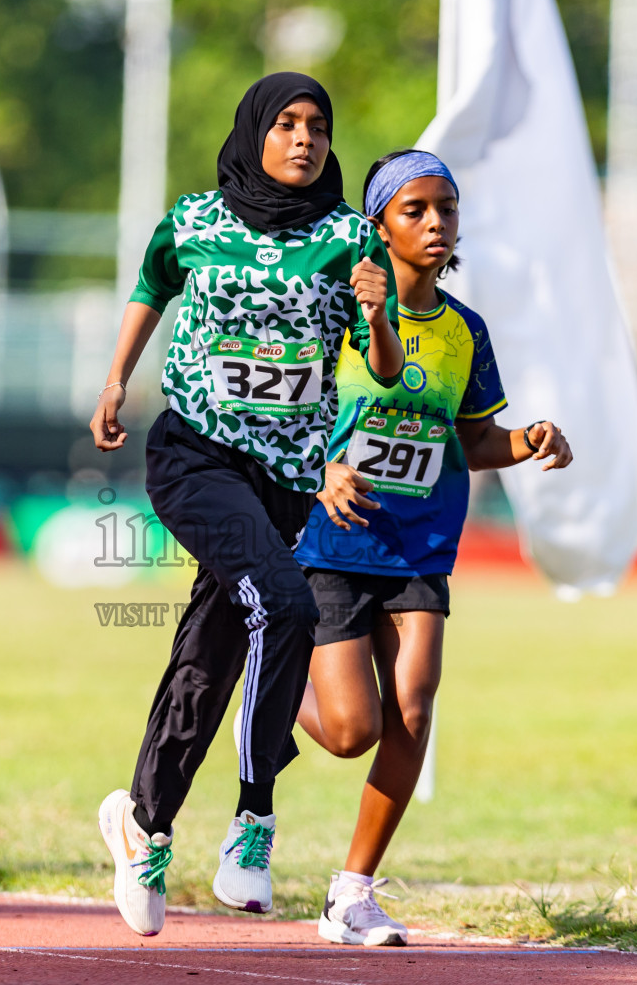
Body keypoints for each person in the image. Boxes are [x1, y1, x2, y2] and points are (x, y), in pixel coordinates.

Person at [90, 72, 403, 936]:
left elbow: (379, 368)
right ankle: (252, 823)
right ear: (255, 132)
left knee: (213, 648)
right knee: (287, 603)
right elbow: (151, 287)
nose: (305, 139)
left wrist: (377, 317)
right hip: (195, 453)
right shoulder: (193, 221)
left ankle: (142, 823)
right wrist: (116, 380)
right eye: (288, 124)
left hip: (286, 478)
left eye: (319, 126)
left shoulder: (349, 239)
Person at [290, 150, 574, 946]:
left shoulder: (465, 332)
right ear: (378, 224)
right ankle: (268, 677)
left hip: (420, 548)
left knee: (413, 709)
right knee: (352, 731)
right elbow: (281, 417)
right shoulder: (336, 314)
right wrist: (320, 471)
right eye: (415, 210)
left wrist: (528, 439)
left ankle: (352, 893)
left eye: (446, 208)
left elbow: (473, 437)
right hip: (333, 543)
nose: (436, 223)